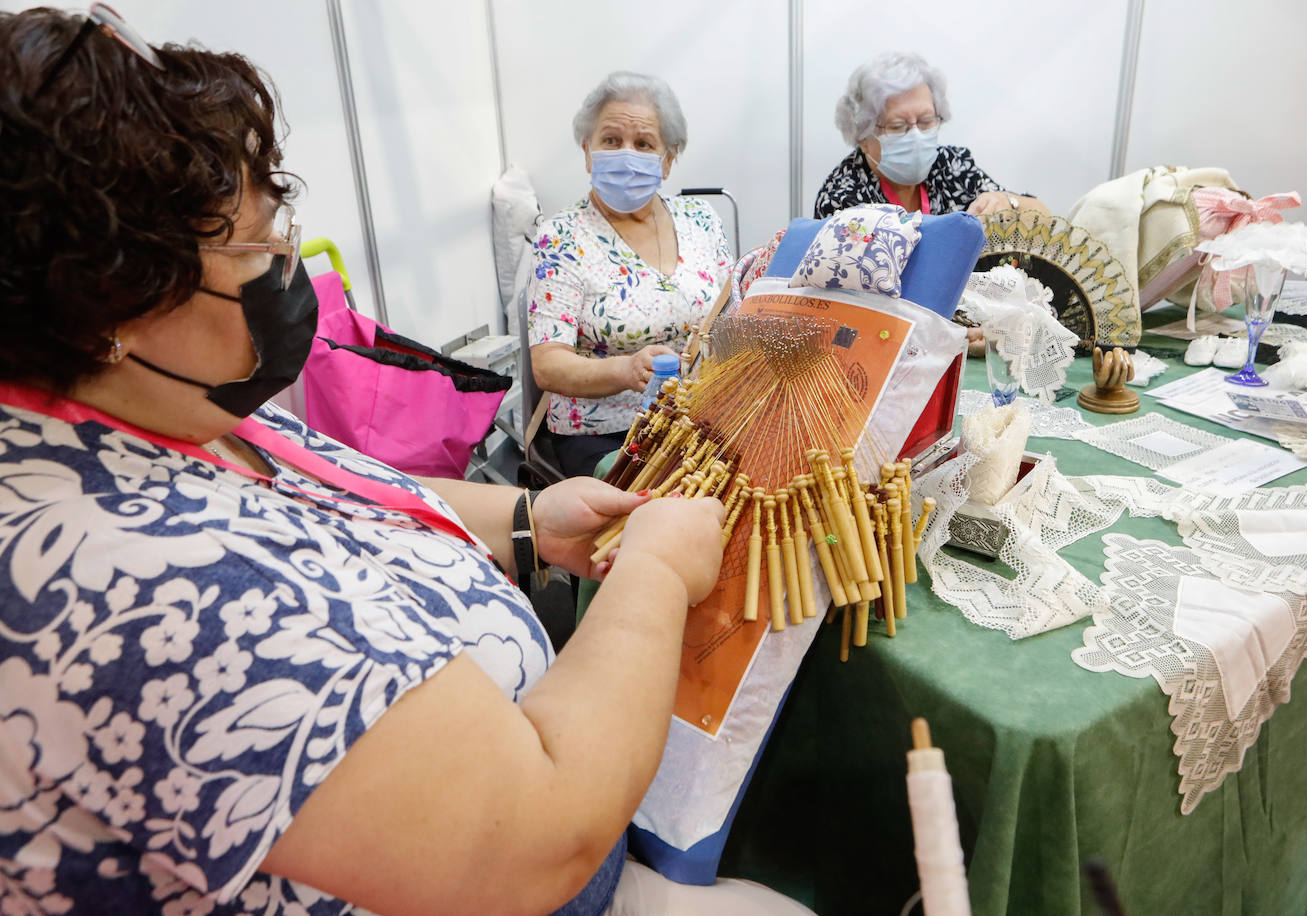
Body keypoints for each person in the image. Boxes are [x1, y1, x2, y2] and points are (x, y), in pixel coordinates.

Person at [0, 9, 811, 915]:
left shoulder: (150, 409)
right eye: (255, 246)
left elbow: (311, 493)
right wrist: (656, 568)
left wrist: (524, 524)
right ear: (112, 295)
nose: (286, 267)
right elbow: (535, 843)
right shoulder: (113, 581)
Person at [528, 72, 732, 479]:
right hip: (607, 433)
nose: (626, 154)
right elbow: (548, 366)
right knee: (674, 508)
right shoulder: (563, 236)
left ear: (668, 160)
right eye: (610, 140)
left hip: (702, 419)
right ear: (587, 151)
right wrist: (625, 371)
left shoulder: (701, 221)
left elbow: (732, 313)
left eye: (643, 144)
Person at [814, 50, 1052, 220]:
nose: (916, 136)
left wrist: (1008, 203)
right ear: (863, 138)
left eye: (926, 121)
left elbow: (1044, 217)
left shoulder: (951, 167)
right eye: (898, 126)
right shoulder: (842, 199)